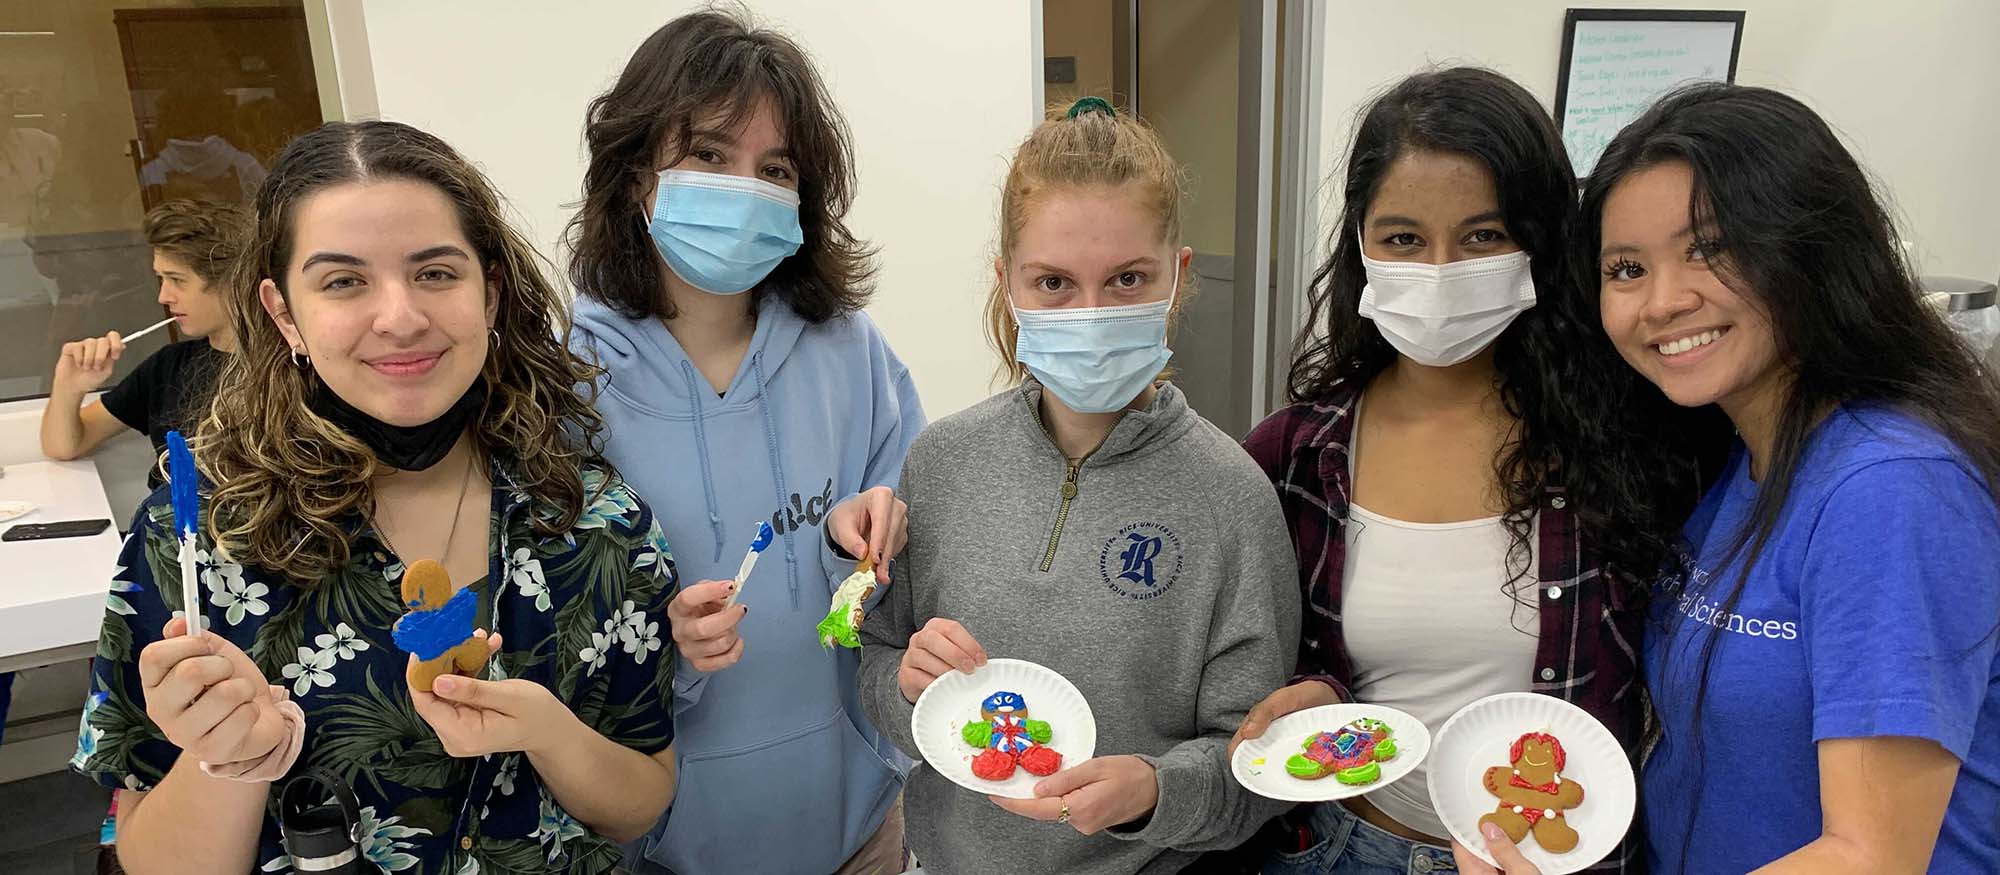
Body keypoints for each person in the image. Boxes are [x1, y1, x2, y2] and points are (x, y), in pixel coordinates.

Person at [70, 120, 681, 875]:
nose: (399, 316)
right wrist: (229, 757)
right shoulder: (200, 543)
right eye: (343, 281)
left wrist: (549, 731)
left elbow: (642, 799)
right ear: (282, 312)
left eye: (434, 272)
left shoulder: (594, 523)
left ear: (489, 292)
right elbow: (153, 863)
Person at [1475, 82, 1996, 875]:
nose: (1663, 301)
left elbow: (1870, 856)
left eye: (1711, 248)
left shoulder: (1891, 488)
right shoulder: (1736, 460)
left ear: (1811, 247)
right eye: (1625, 267)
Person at [1236, 68, 1708, 874]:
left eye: (1485, 236)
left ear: (1542, 242)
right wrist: (1311, 693)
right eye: (1404, 239)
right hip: (1342, 849)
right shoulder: (1294, 456)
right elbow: (1266, 665)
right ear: (1360, 245)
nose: (1443, 268)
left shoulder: (1636, 435)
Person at [858, 98, 1299, 874]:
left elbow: (1257, 769)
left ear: (1178, 277)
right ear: (1007, 284)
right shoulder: (941, 461)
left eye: (1128, 278)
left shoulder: (1232, 497)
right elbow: (874, 661)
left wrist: (1156, 790)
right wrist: (905, 685)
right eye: (1054, 282)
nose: (1091, 314)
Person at [565, 10, 922, 874]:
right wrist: (666, 643)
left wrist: (869, 539)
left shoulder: (851, 350)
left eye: (775, 168)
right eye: (710, 156)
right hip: (664, 844)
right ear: (636, 173)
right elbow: (559, 634)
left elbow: (910, 567)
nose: (743, 189)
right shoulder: (567, 381)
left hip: (858, 826)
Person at [40, 199, 245, 475]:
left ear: (232, 281)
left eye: (177, 280)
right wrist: (68, 387)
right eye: (161, 279)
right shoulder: (168, 367)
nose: (163, 296)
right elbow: (63, 446)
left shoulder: (283, 369)